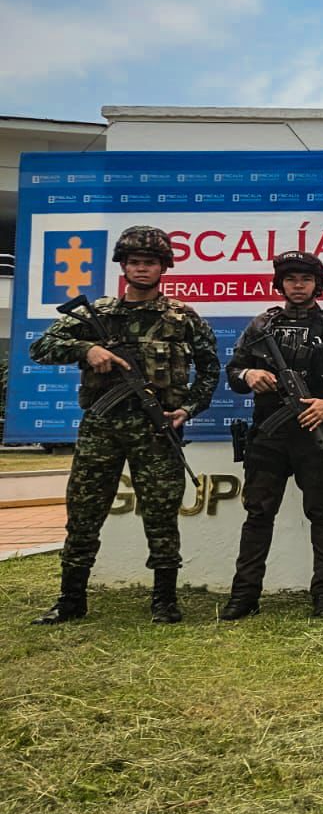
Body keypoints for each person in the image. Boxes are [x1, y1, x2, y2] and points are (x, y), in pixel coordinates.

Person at [30, 225, 219, 625]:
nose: (142, 269)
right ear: (123, 266)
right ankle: (71, 599)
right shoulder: (95, 314)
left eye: (149, 262)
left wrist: (189, 408)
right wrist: (87, 348)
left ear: (163, 267)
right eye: (134, 262)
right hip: (102, 428)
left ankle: (164, 600)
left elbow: (209, 369)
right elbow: (40, 347)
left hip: (157, 430)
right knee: (84, 513)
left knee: (162, 516)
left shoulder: (182, 317)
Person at [218, 251, 323, 620]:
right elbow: (234, 370)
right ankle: (244, 596)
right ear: (281, 285)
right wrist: (249, 377)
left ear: (318, 285)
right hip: (268, 438)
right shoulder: (262, 325)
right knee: (258, 514)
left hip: (315, 435)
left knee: (322, 515)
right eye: (291, 280)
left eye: (305, 280)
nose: (298, 286)